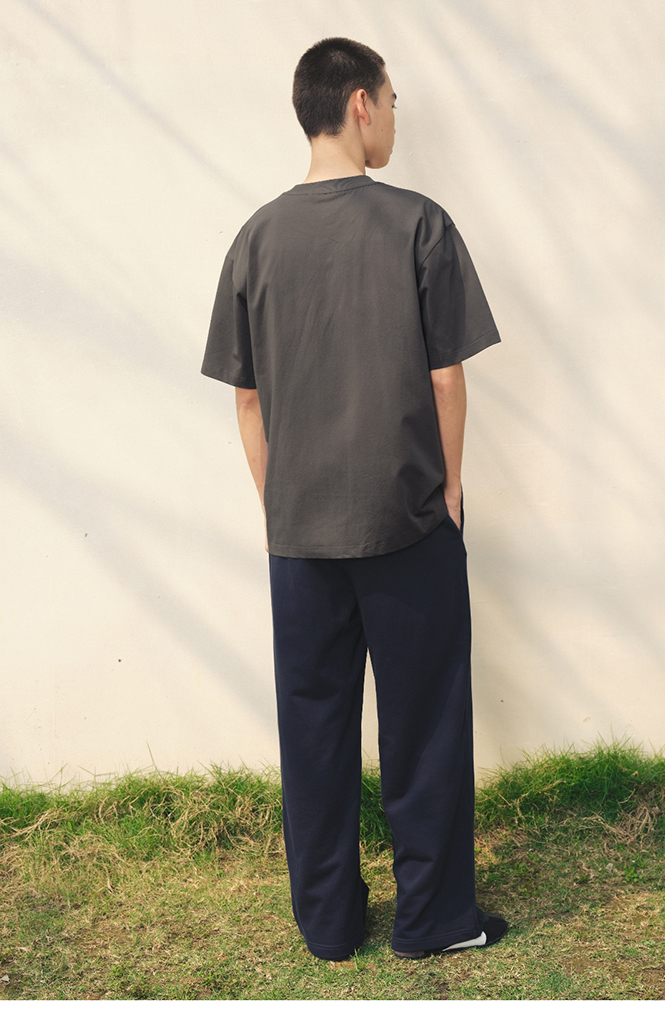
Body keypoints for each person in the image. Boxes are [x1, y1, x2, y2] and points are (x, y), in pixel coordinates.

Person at [202, 37, 507, 961]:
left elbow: (247, 400)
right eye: (393, 100)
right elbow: (445, 378)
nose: (396, 119)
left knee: (314, 729)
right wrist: (450, 484)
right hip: (406, 519)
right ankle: (434, 919)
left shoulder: (256, 237)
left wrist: (281, 505)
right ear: (361, 104)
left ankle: (329, 925)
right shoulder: (419, 224)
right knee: (426, 723)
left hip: (299, 533)